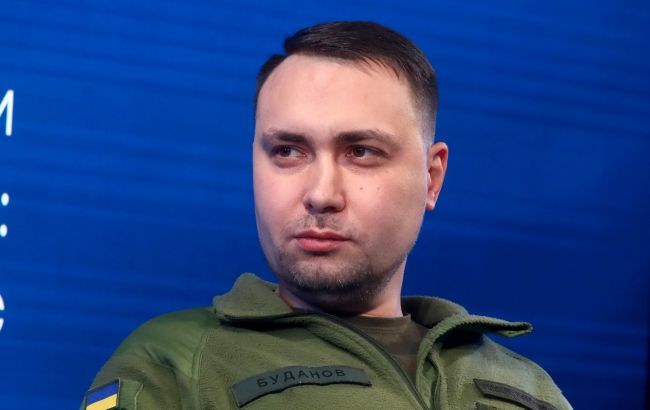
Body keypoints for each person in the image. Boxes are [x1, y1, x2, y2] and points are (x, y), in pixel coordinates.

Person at [81, 21, 571, 410]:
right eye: (288, 151)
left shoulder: (526, 387)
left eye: (361, 152)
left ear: (431, 177)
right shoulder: (173, 363)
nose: (320, 194)